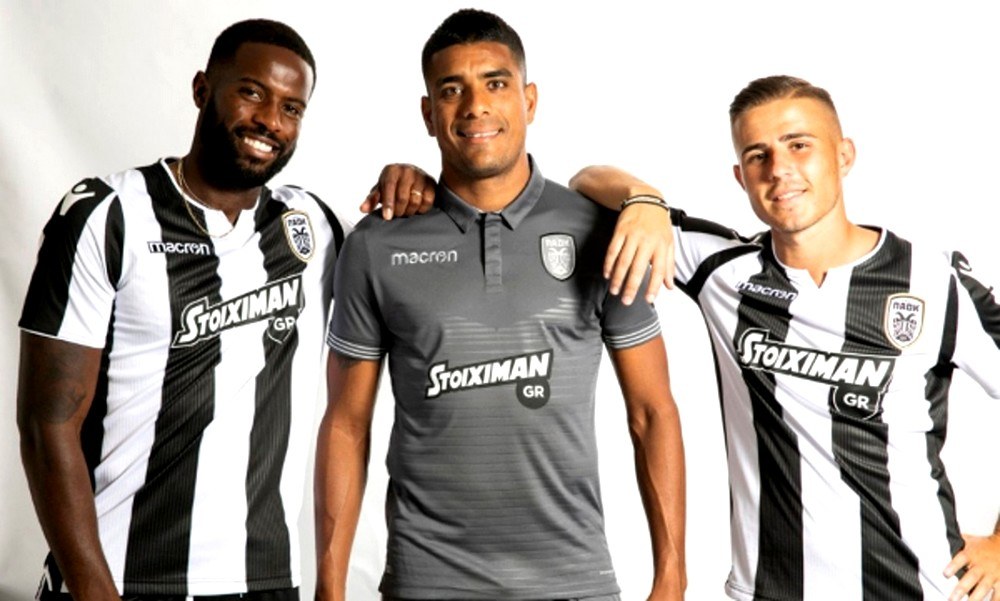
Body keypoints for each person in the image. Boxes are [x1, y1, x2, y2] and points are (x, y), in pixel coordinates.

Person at [14, 19, 433, 600]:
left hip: (266, 581)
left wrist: (409, 181)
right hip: (121, 578)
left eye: (291, 108)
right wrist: (93, 591)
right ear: (202, 89)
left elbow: (411, 248)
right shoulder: (108, 215)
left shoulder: (312, 227)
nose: (271, 121)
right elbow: (47, 424)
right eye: (252, 92)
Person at [570, 75, 1000, 601]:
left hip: (919, 589)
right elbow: (586, 180)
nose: (779, 169)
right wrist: (645, 201)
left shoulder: (935, 282)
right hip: (768, 590)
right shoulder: (722, 270)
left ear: (844, 155)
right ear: (740, 176)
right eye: (758, 155)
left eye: (799, 145)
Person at [314, 8, 686, 601]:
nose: (475, 106)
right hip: (426, 583)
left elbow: (652, 411)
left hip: (574, 582)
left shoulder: (602, 231)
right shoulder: (377, 245)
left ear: (529, 100)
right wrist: (329, 587)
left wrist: (672, 577)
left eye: (495, 83)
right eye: (451, 90)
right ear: (428, 113)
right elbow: (345, 423)